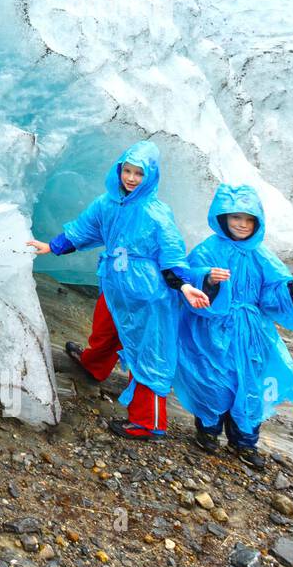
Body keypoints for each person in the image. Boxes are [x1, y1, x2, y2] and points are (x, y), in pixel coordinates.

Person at [28, 140, 209, 439]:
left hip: (147, 294)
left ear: (150, 177)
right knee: (104, 329)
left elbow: (172, 253)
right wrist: (52, 246)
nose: (131, 178)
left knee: (147, 353)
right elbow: (84, 229)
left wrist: (185, 285)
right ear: (119, 169)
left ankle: (148, 423)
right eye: (128, 170)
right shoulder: (107, 202)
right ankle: (94, 365)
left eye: (139, 173)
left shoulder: (156, 213)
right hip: (115, 286)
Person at [171, 184, 293, 469]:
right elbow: (187, 280)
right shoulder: (208, 249)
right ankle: (208, 432)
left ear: (257, 223)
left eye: (248, 219)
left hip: (252, 333)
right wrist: (208, 280)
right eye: (236, 217)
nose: (242, 224)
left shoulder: (261, 254)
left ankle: (244, 441)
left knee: (250, 383)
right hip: (213, 330)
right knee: (213, 378)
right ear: (223, 217)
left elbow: (274, 289)